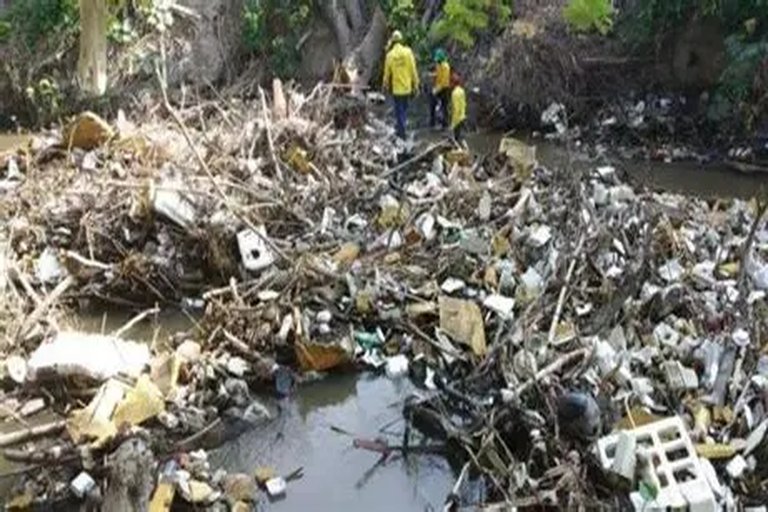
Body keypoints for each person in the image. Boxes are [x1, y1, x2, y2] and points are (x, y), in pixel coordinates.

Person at [382, 30, 419, 140]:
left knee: (399, 110)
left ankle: (401, 131)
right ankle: (402, 129)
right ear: (401, 40)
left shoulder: (390, 55)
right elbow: (413, 70)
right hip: (407, 88)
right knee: (404, 109)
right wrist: (416, 85)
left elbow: (386, 73)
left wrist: (385, 85)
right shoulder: (408, 52)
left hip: (397, 89)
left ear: (393, 41)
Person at [429, 48, 451, 129]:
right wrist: (433, 75)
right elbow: (438, 74)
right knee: (432, 103)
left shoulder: (446, 66)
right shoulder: (438, 64)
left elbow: (444, 81)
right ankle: (432, 122)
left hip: (444, 88)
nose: (436, 61)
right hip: (438, 87)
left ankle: (445, 124)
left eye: (438, 59)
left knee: (444, 106)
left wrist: (436, 90)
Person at [450, 73, 467, 144]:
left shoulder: (454, 93)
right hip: (463, 116)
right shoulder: (462, 91)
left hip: (457, 119)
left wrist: (453, 124)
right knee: (462, 138)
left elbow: (456, 109)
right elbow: (464, 104)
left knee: (457, 139)